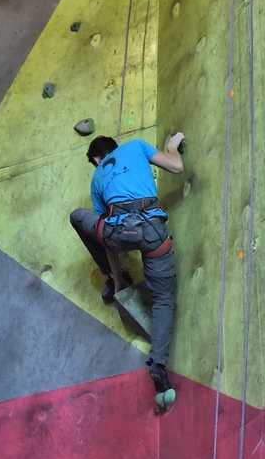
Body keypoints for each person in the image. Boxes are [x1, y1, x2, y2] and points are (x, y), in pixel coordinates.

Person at [70, 132, 185, 410]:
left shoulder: (97, 177)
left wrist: (119, 280)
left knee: (78, 217)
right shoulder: (137, 146)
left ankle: (111, 276)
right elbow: (176, 167)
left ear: (96, 158)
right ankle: (158, 365)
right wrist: (172, 146)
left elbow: (106, 231)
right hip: (153, 232)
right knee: (163, 300)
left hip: (117, 234)